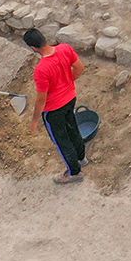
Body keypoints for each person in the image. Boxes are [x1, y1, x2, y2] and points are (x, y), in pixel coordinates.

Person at [25, 28, 86, 186]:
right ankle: (81, 158)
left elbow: (41, 99)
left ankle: (74, 172)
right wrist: (67, 83)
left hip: (53, 110)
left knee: (61, 140)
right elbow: (80, 68)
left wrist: (34, 120)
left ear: (33, 47)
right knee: (73, 128)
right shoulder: (65, 48)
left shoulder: (41, 70)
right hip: (70, 98)